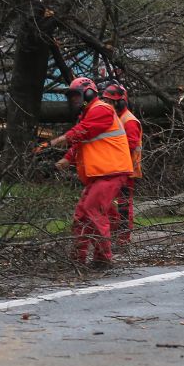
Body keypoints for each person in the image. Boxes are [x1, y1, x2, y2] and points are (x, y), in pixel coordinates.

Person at [50, 77, 133, 267]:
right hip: (100, 174)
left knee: (92, 209)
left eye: (76, 96)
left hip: (112, 171)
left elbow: (83, 131)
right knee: (82, 215)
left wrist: (57, 140)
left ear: (88, 93)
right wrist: (67, 159)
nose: (74, 102)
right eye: (71, 98)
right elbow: (83, 139)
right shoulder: (89, 113)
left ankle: (103, 258)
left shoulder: (101, 109)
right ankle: (78, 259)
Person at [101, 82, 141, 245]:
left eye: (111, 102)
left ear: (120, 101)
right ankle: (114, 234)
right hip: (115, 168)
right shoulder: (114, 117)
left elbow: (130, 144)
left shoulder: (129, 120)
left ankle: (123, 239)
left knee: (123, 207)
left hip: (126, 169)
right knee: (109, 203)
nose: (108, 105)